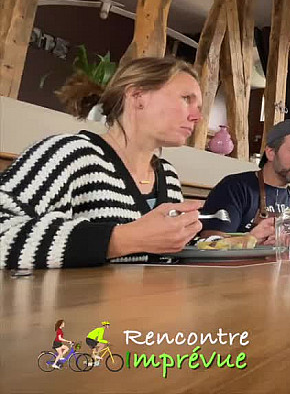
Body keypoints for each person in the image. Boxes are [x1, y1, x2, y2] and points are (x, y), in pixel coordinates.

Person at [0, 57, 204, 269]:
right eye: (186, 99)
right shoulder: (70, 153)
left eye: (199, 106)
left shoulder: (167, 175)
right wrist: (120, 239)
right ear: (137, 96)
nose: (197, 116)